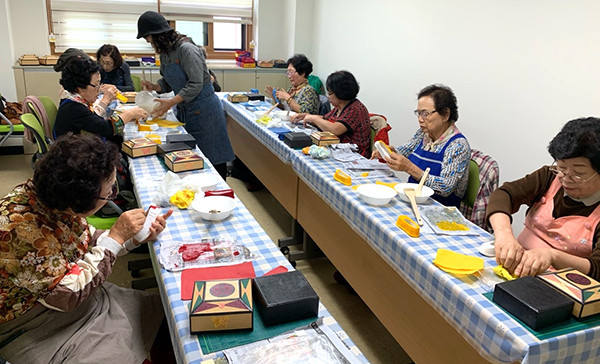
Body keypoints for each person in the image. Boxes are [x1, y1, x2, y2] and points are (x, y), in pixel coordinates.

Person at [0, 134, 175, 363]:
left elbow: (87, 240)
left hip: (82, 296)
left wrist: (134, 238)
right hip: (35, 323)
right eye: (109, 192)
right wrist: (117, 236)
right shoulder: (20, 231)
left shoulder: (54, 199)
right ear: (79, 201)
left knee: (166, 319)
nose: (112, 195)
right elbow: (68, 297)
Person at [487, 117, 600, 280]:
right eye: (561, 168)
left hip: (564, 286)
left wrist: (553, 256)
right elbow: (504, 194)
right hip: (519, 269)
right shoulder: (549, 177)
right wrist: (504, 235)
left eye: (579, 173)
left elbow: (597, 268)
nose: (566, 178)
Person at [136, 11, 234, 180]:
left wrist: (170, 102)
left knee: (213, 158)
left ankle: (220, 192)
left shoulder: (186, 49)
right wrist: (154, 86)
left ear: (157, 34)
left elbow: (195, 84)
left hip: (205, 112)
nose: (148, 41)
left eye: (148, 37)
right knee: (193, 159)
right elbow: (168, 81)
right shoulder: (165, 53)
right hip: (186, 110)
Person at [373, 84, 470, 208]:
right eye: (418, 113)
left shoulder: (458, 146)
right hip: (412, 200)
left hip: (438, 209)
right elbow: (404, 151)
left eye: (425, 114)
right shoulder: (423, 134)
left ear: (445, 114)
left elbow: (445, 187)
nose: (420, 119)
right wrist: (388, 152)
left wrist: (409, 168)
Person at [53, 54, 147, 144]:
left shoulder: (76, 101)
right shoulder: (74, 108)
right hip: (74, 156)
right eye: (96, 85)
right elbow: (106, 129)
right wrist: (130, 114)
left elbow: (95, 120)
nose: (99, 90)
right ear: (80, 87)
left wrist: (125, 117)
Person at [292, 70, 371, 157]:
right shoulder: (340, 107)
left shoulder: (355, 109)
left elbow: (335, 129)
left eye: (330, 93)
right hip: (339, 150)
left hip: (354, 155)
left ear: (341, 93)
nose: (328, 96)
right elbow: (325, 119)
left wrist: (313, 118)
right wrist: (307, 116)